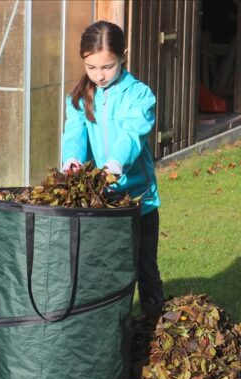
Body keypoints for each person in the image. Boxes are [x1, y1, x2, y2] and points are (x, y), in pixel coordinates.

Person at [61, 21, 165, 315]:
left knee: (145, 268)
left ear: (124, 56)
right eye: (91, 68)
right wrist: (71, 158)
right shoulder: (81, 97)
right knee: (106, 271)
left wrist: (116, 162)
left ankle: (151, 323)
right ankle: (110, 325)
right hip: (101, 202)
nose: (99, 75)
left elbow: (132, 134)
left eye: (107, 66)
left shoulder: (140, 96)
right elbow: (74, 134)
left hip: (138, 201)